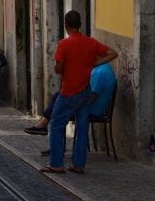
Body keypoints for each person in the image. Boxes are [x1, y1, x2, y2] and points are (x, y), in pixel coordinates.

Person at [42, 10, 118, 175]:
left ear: (66, 25)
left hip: (69, 92)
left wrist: (59, 67)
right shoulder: (91, 43)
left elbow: (58, 68)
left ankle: (56, 164)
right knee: (82, 128)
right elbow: (113, 53)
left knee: (55, 124)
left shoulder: (64, 44)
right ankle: (78, 165)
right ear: (80, 25)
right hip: (85, 92)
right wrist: (95, 63)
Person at [24, 62, 117, 136]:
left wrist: (74, 101)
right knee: (59, 96)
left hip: (93, 110)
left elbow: (91, 98)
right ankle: (45, 126)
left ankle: (55, 144)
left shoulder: (100, 72)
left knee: (59, 112)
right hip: (92, 107)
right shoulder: (104, 67)